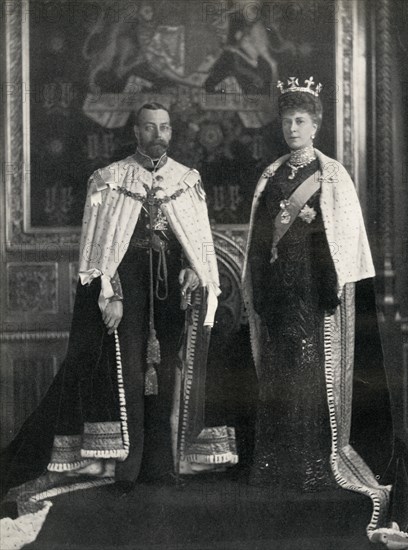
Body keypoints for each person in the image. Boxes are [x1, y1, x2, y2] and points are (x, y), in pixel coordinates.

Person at [1, 103, 237, 515]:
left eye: (164, 127)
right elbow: (98, 248)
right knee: (127, 373)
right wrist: (109, 293)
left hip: (169, 292)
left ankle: (162, 467)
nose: (157, 134)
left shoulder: (186, 180)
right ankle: (126, 469)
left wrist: (194, 272)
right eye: (149, 128)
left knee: (166, 373)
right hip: (126, 289)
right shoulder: (109, 180)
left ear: (171, 131)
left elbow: (196, 244)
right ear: (136, 132)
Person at [241, 78, 408, 547]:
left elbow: (343, 240)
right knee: (278, 377)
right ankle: (276, 465)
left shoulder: (332, 176)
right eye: (287, 120)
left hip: (315, 294)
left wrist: (325, 268)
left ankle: (313, 466)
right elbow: (257, 241)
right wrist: (264, 292)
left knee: (311, 379)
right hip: (280, 296)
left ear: (316, 125)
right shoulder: (270, 175)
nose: (292, 127)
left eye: (301, 121)